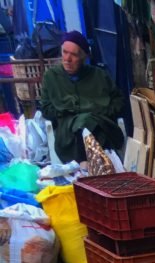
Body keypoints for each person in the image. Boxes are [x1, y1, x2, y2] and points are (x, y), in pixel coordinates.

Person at [40, 31, 124, 164]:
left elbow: (119, 101)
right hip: (67, 133)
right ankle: (87, 165)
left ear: (83, 57)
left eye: (73, 55)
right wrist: (67, 112)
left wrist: (102, 112)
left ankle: (90, 166)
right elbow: (45, 108)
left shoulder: (99, 76)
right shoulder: (51, 77)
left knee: (88, 122)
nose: (67, 59)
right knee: (82, 122)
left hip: (100, 126)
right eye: (64, 52)